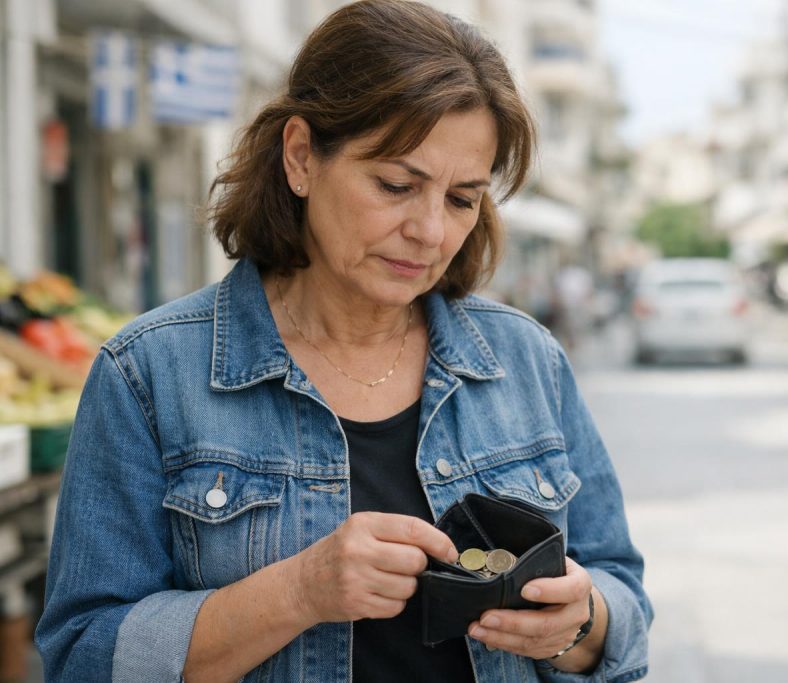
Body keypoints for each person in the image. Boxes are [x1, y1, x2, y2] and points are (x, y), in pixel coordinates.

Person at [35, 1, 652, 681]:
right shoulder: (149, 374)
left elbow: (619, 594)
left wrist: (583, 619)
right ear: (301, 157)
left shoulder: (526, 360)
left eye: (461, 199)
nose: (430, 231)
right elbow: (84, 654)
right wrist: (299, 591)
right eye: (396, 184)